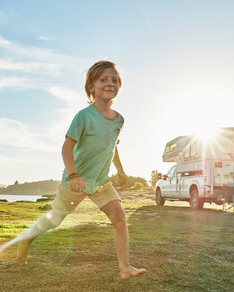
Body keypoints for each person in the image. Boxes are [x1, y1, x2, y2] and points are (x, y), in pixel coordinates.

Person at [14, 60, 146, 280]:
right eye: (103, 79)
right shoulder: (84, 116)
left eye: (114, 80)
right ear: (91, 88)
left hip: (102, 182)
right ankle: (27, 239)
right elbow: (67, 146)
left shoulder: (118, 120)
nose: (110, 83)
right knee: (55, 220)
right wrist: (73, 174)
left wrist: (121, 171)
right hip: (76, 181)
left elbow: (111, 147)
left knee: (120, 218)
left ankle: (125, 268)